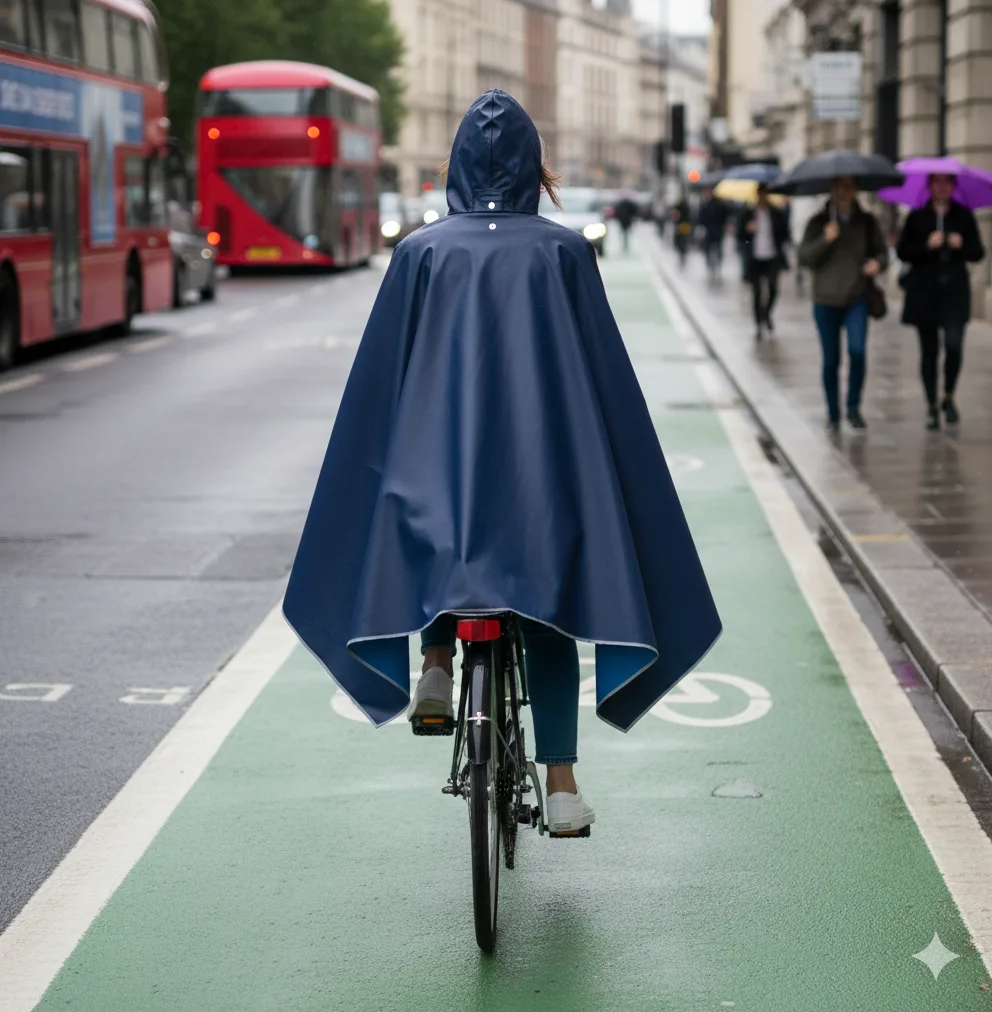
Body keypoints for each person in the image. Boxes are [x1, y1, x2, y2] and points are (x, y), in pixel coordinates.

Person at [282, 90, 721, 837]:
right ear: (530, 167)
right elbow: (600, 374)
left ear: (455, 163)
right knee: (548, 604)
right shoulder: (562, 250)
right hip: (538, 478)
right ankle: (561, 782)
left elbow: (381, 382)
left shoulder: (419, 251)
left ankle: (437, 663)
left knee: (423, 529)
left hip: (438, 472)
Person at [798, 176, 888, 431]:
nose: (845, 191)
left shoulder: (867, 221)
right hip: (825, 301)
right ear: (833, 188)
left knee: (858, 352)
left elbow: (882, 252)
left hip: (856, 297)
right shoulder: (818, 222)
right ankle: (833, 412)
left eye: (850, 185)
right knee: (831, 360)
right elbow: (803, 257)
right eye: (840, 185)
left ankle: (853, 407)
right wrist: (825, 239)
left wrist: (877, 264)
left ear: (856, 188)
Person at [896, 173, 985, 429]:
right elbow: (904, 251)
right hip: (925, 292)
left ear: (953, 187)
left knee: (955, 346)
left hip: (955, 292)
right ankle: (931, 405)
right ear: (929, 186)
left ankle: (948, 396)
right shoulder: (917, 217)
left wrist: (961, 244)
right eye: (938, 182)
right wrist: (926, 245)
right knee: (929, 351)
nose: (942, 187)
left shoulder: (963, 216)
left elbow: (978, 253)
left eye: (947, 182)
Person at [737, 183, 790, 339]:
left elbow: (785, 234)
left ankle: (765, 313)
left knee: (773, 288)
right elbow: (740, 237)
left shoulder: (776, 213)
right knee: (757, 292)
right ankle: (758, 323)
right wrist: (748, 231)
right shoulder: (747, 214)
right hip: (754, 258)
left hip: (772, 256)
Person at [698, 190, 729, 279]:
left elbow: (701, 217)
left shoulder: (707, 205)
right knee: (717, 248)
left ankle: (711, 264)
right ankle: (716, 264)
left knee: (710, 247)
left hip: (712, 228)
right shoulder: (720, 205)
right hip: (716, 229)